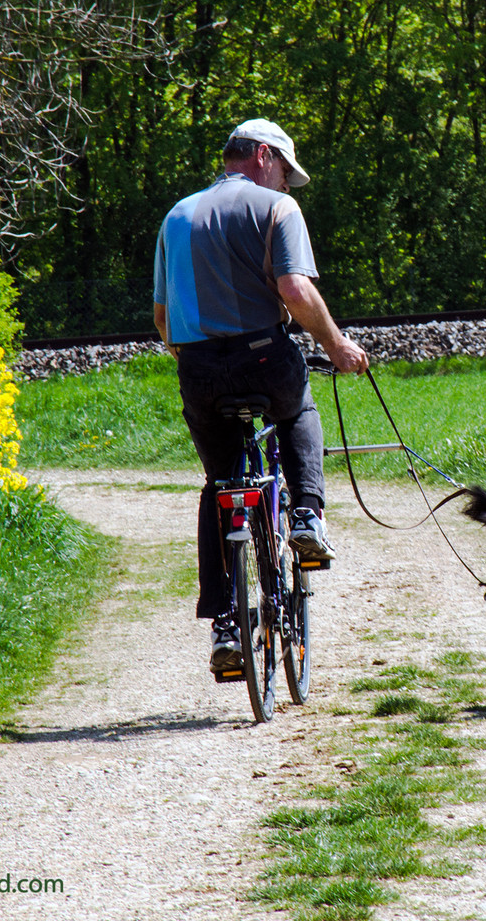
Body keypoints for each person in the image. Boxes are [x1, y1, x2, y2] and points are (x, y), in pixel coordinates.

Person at [152, 119, 369, 673]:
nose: (285, 187)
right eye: (284, 174)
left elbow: (161, 317)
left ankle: (226, 626)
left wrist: (198, 361)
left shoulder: (176, 216)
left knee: (220, 484)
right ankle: (305, 516)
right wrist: (338, 346)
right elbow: (295, 290)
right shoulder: (277, 210)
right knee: (298, 411)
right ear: (264, 156)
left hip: (198, 367)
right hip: (265, 356)